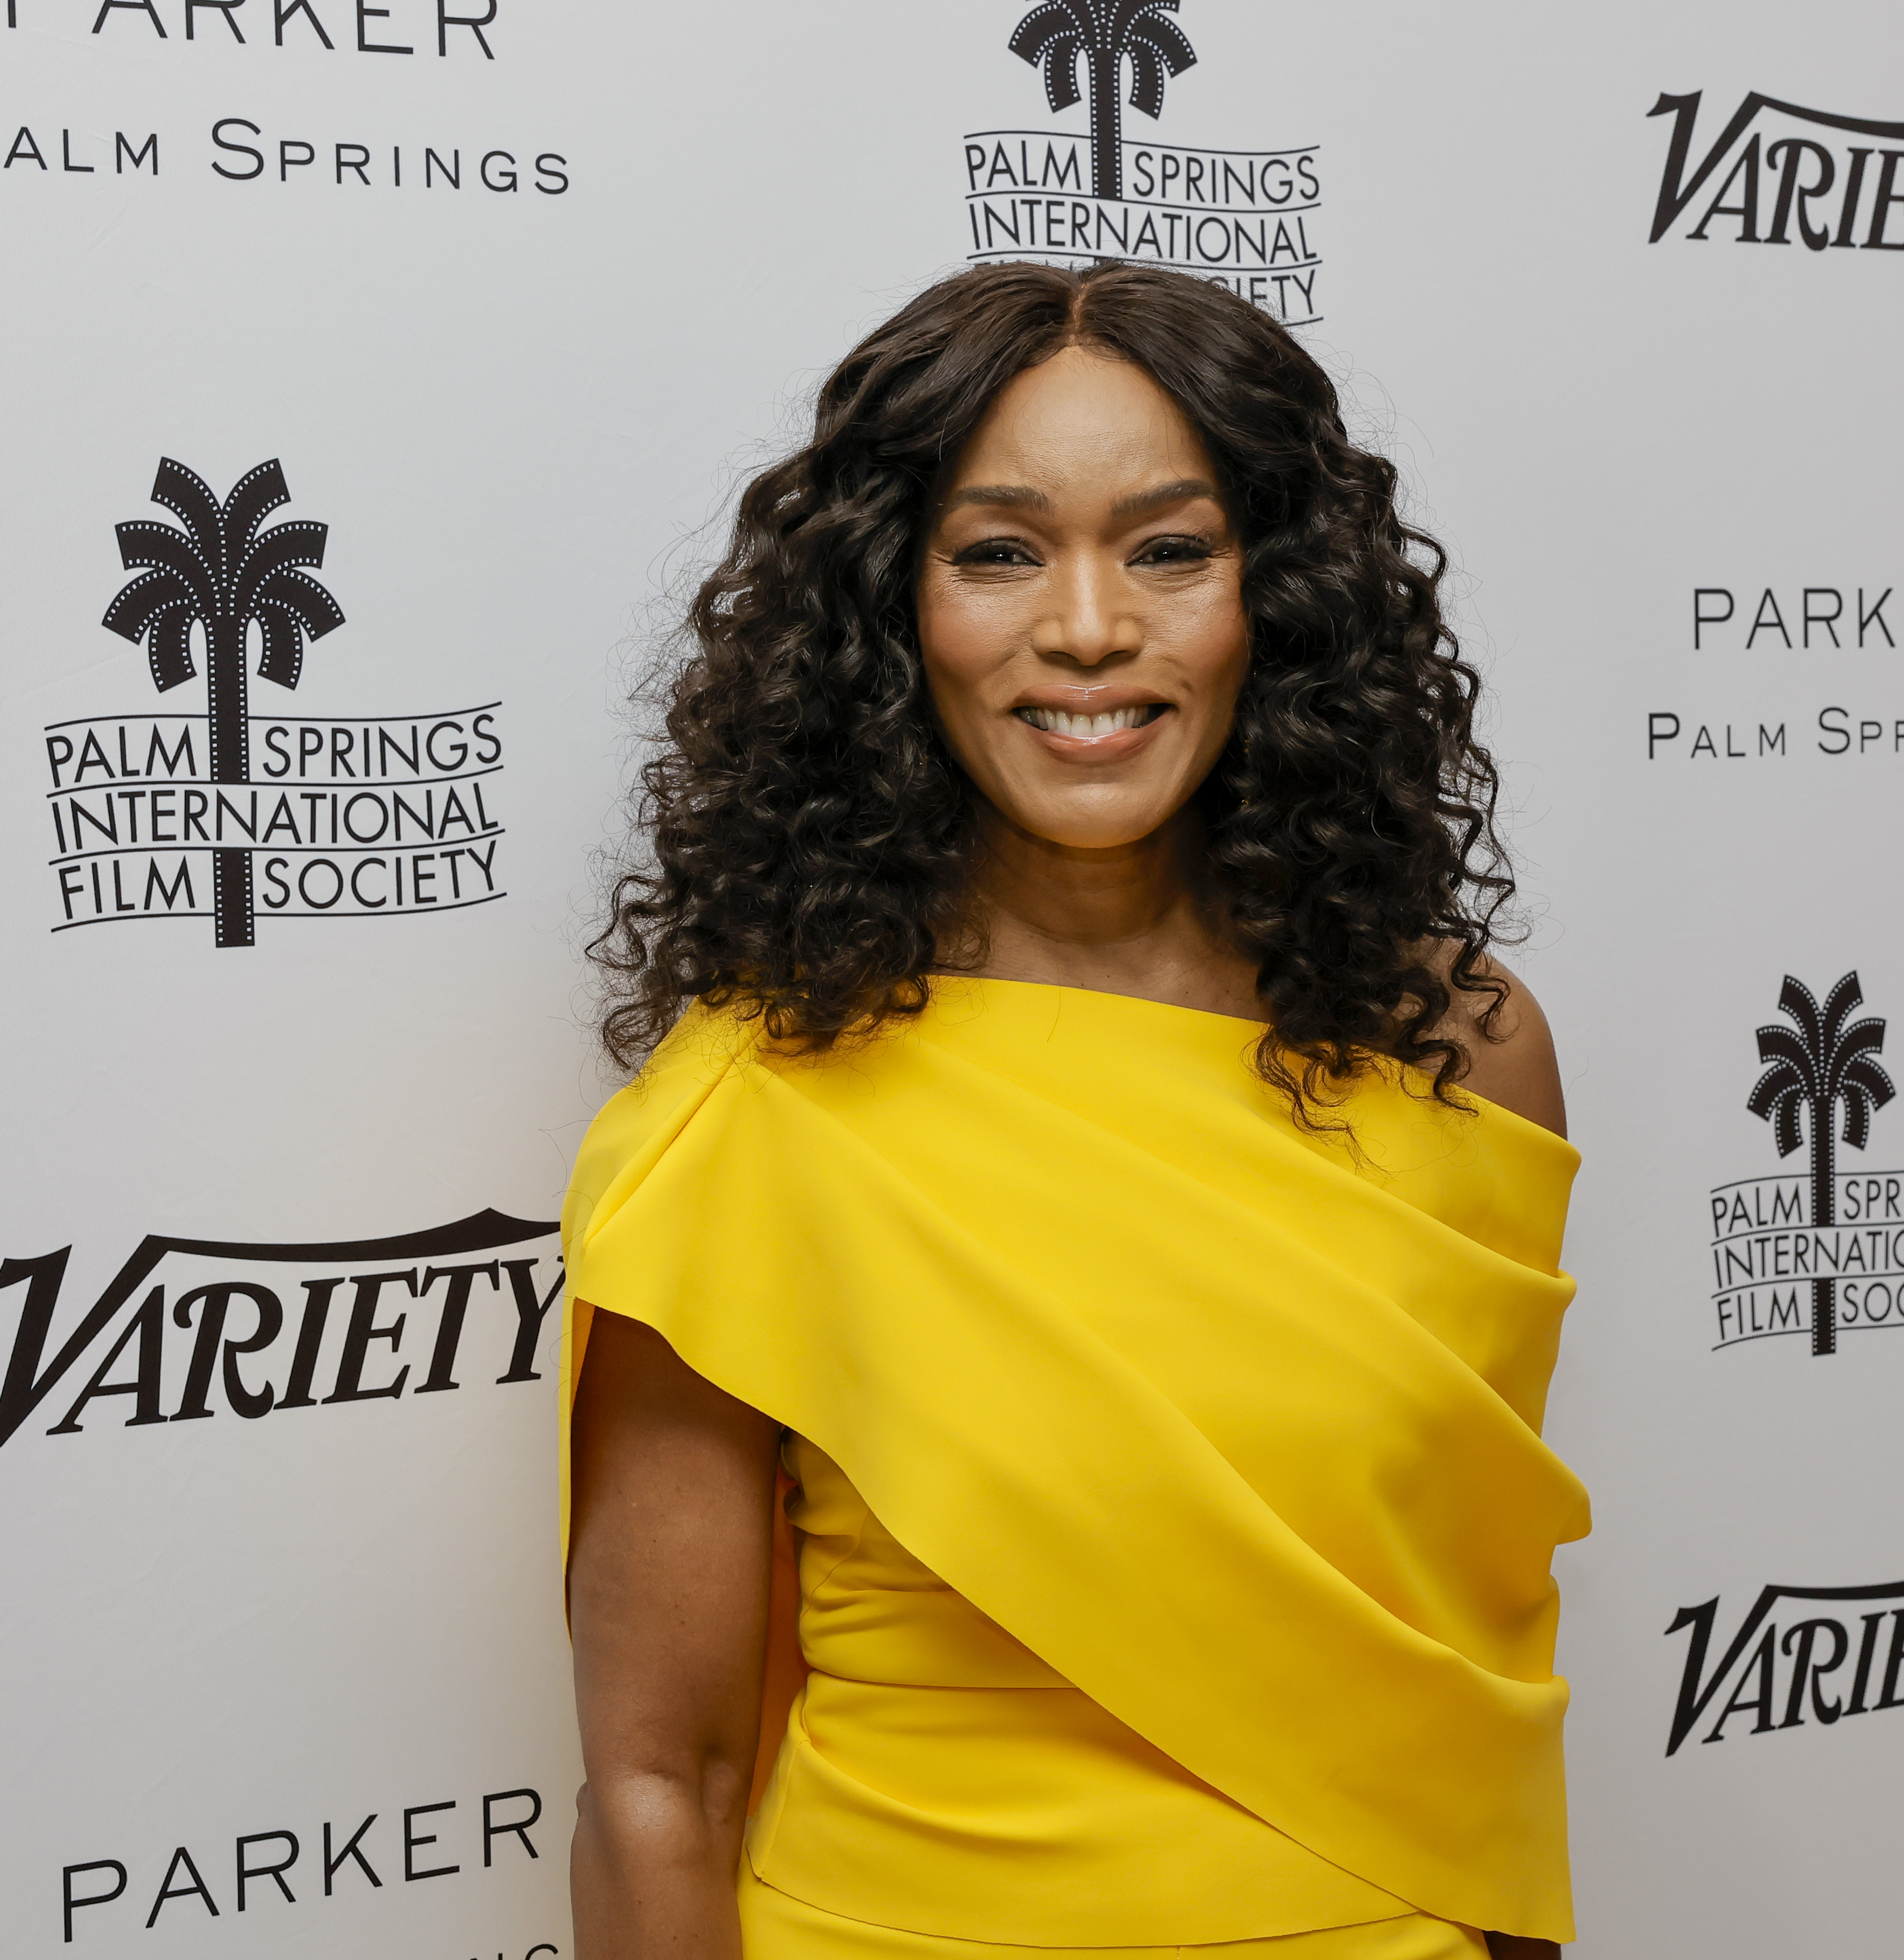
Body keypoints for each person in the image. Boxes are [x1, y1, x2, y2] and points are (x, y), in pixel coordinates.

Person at [560, 261, 1585, 1960]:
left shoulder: (1460, 1055)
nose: (1093, 626)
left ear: (1281, 598)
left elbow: (1468, 1678)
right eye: (1002, 550)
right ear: (896, 610)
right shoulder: (748, 1114)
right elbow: (666, 1780)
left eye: (1172, 548)